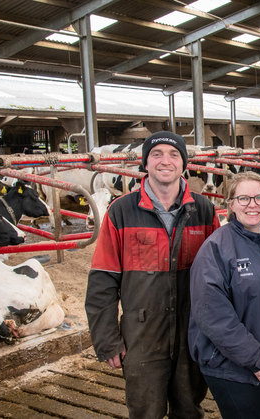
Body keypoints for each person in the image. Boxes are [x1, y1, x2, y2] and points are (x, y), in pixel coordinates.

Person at [85, 131, 220, 419]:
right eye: (156, 154)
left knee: (189, 408)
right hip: (142, 334)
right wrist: (107, 340)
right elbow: (103, 280)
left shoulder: (204, 210)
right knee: (146, 411)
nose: (165, 161)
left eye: (174, 155)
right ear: (145, 163)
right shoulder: (120, 211)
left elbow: (221, 275)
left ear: (184, 163)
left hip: (191, 331)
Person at [189, 171, 260, 419]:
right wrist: (255, 358)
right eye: (243, 198)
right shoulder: (217, 247)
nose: (253, 205)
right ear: (231, 204)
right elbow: (211, 314)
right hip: (235, 364)